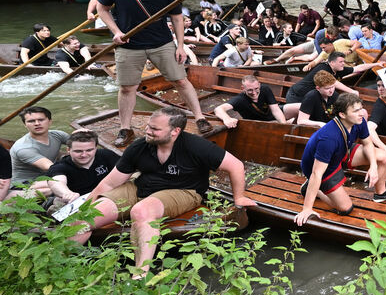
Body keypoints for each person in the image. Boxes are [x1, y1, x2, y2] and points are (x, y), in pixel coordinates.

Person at [76, 107, 255, 272]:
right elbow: (109, 183)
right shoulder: (140, 146)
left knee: (141, 211)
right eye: (148, 126)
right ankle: (61, 263)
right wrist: (85, 206)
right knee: (88, 216)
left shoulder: (196, 146)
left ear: (175, 131)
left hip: (184, 191)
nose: (148, 131)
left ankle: (139, 275)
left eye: (155, 129)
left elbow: (236, 166)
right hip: (141, 187)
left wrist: (239, 198)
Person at [96, 0, 212, 147]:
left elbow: (177, 19)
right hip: (129, 46)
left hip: (162, 44)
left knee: (181, 80)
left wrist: (180, 46)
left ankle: (200, 118)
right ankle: (125, 129)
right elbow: (102, 9)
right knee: (127, 88)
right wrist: (116, 31)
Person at [295, 93, 386, 226]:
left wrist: (373, 166)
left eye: (361, 108)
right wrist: (307, 209)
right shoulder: (328, 137)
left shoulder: (359, 121)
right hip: (322, 168)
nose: (361, 113)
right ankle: (311, 189)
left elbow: (368, 143)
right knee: (346, 208)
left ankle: (381, 194)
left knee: (383, 156)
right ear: (342, 115)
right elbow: (316, 173)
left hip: (342, 152)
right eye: (356, 111)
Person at [25, 131, 120, 214]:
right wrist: (67, 193)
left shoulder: (106, 155)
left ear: (95, 148)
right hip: (75, 200)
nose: (84, 155)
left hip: (104, 195)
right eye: (78, 151)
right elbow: (56, 182)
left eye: (89, 150)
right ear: (68, 150)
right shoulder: (60, 167)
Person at [283, 51, 377, 106]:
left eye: (343, 61)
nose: (343, 64)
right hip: (296, 96)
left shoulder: (339, 69)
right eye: (341, 62)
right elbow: (333, 82)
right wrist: (351, 91)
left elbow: (358, 68)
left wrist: (376, 64)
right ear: (332, 63)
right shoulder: (323, 68)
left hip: (310, 97)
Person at [8, 107, 71, 187]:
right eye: (31, 121)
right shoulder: (23, 147)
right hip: (24, 184)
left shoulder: (58, 135)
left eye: (41, 120)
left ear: (50, 121)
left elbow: (79, 144)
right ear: (25, 124)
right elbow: (51, 168)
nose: (37, 123)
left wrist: (81, 133)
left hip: (47, 177)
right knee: (63, 183)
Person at [212, 73, 288, 127]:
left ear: (259, 84)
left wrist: (284, 126)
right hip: (261, 124)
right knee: (281, 123)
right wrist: (227, 119)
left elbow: (276, 110)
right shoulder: (240, 99)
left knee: (296, 107)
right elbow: (218, 109)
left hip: (270, 115)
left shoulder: (265, 89)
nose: (254, 93)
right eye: (250, 90)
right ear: (243, 88)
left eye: (256, 89)